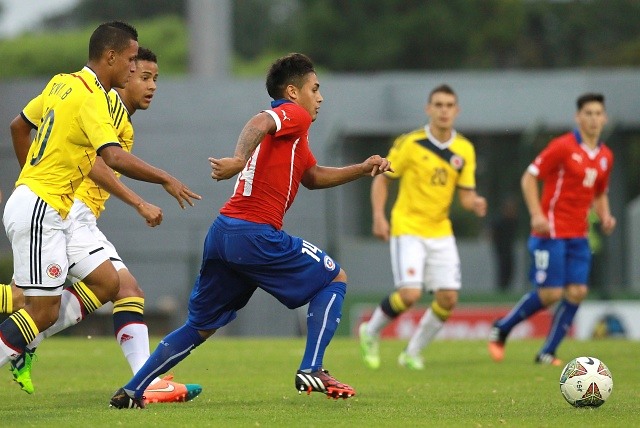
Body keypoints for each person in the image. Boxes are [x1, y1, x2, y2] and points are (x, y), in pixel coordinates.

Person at [109, 52, 392, 408]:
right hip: (254, 233)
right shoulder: (293, 115)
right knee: (334, 279)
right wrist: (240, 159)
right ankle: (313, 368)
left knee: (201, 326)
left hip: (224, 233)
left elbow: (313, 177)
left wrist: (362, 168)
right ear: (292, 92)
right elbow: (258, 123)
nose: (320, 98)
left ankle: (134, 389)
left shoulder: (294, 137)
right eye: (315, 89)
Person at [0, 21, 200, 390]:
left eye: (153, 75)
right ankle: (145, 380)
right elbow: (103, 160)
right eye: (135, 66)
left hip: (53, 206)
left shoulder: (68, 84)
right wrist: (149, 194)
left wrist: (30, 178)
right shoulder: (98, 100)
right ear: (112, 59)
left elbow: (20, 126)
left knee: (108, 287)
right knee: (44, 305)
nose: (142, 76)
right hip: (60, 209)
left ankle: (141, 379)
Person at [358, 84, 487, 370]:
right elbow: (382, 178)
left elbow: (465, 195)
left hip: (440, 230)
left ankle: (411, 353)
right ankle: (371, 330)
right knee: (410, 295)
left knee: (448, 298)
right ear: (428, 109)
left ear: (457, 110)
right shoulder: (411, 143)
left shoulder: (464, 149)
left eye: (449, 105)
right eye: (438, 105)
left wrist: (474, 202)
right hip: (408, 226)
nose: (443, 110)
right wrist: (379, 216)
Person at [488, 93, 615, 365]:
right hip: (551, 231)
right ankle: (503, 327)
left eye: (597, 113)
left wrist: (605, 215)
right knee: (551, 294)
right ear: (578, 117)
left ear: (604, 118)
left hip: (579, 234)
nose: (593, 119)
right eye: (588, 113)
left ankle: (548, 352)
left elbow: (599, 192)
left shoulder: (605, 156)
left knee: (578, 291)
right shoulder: (562, 146)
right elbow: (529, 177)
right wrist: (535, 214)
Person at [490, 196, 519, 291]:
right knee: (503, 268)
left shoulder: (513, 221)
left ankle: (506, 288)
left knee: (510, 268)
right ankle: (501, 288)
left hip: (509, 248)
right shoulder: (499, 220)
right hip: (501, 249)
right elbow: (492, 233)